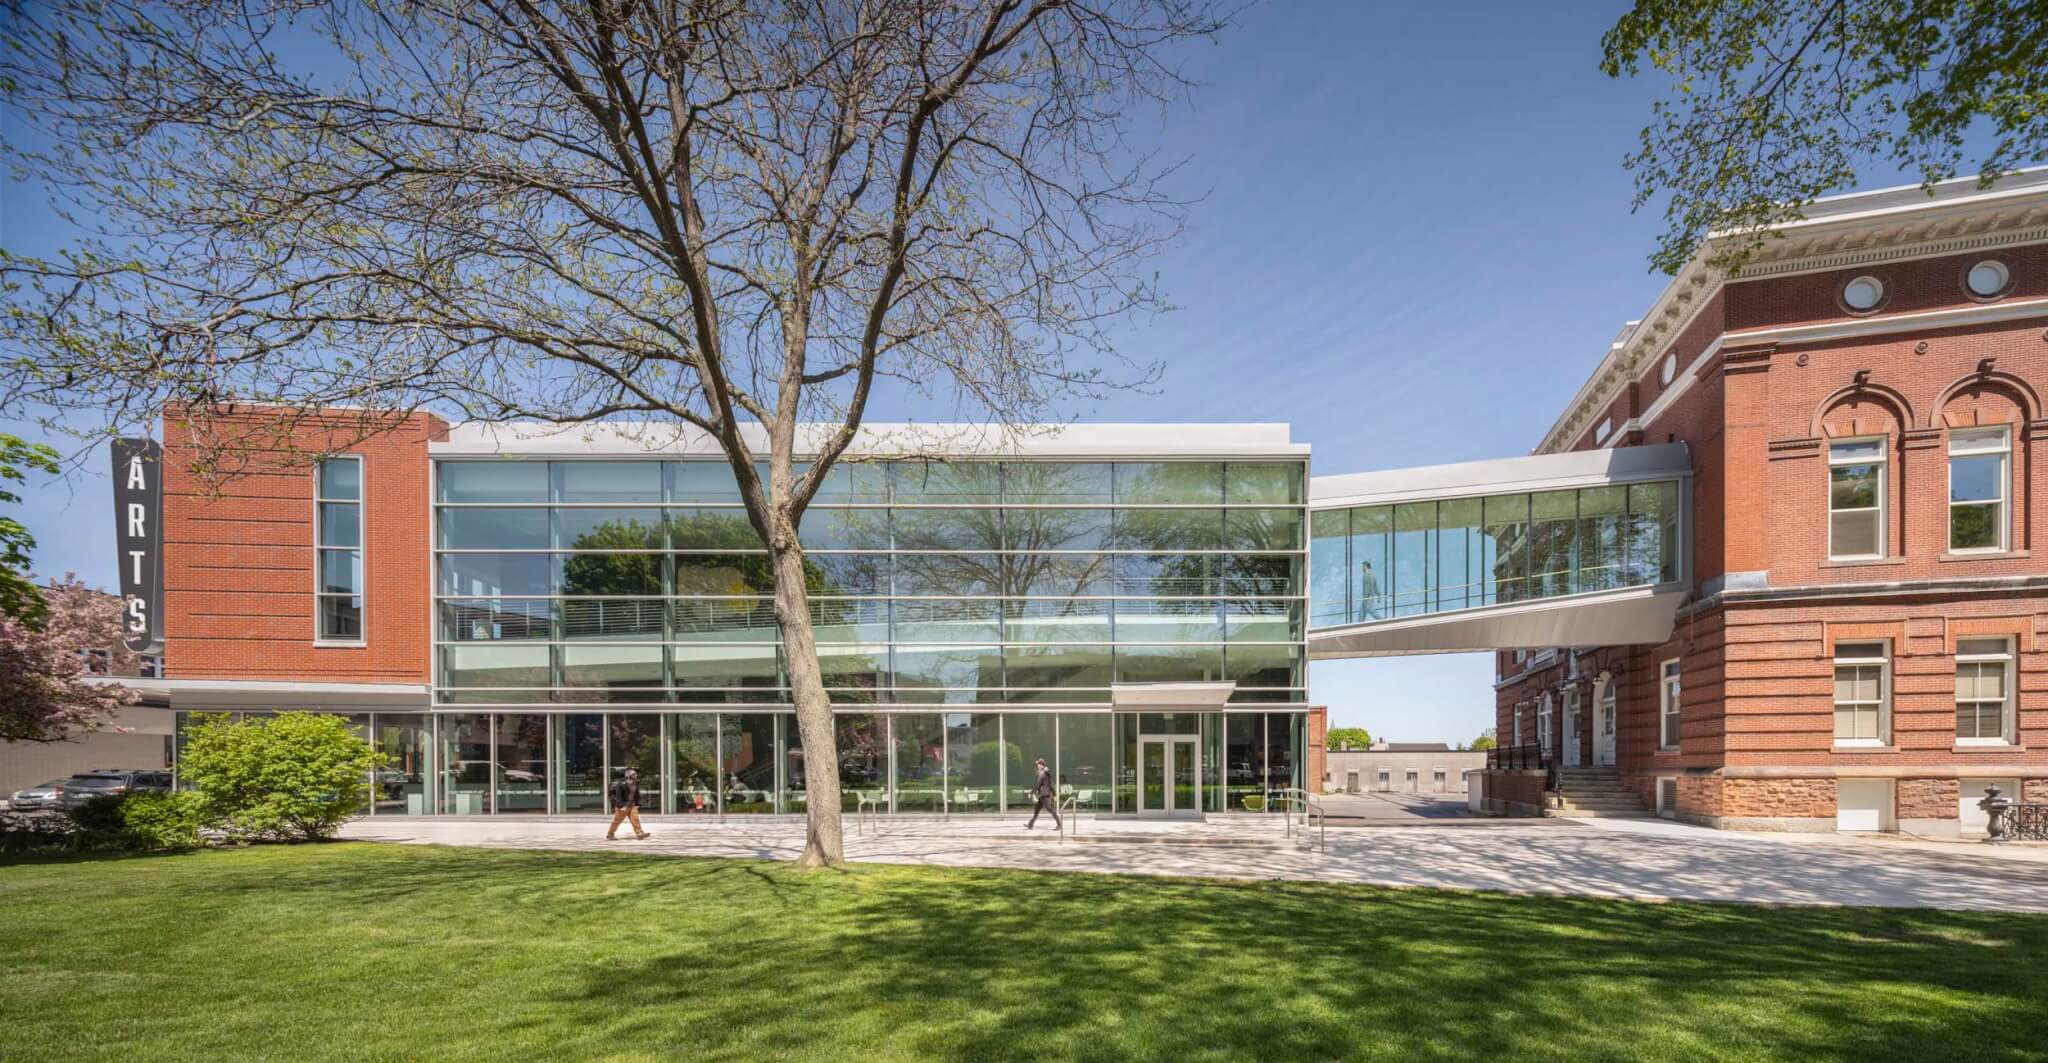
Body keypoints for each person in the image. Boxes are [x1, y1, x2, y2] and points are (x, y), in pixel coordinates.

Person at [607, 768, 650, 841]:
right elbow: (618, 796)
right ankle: (610, 834)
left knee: (635, 819)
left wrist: (637, 803)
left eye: (636, 774)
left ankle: (639, 833)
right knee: (617, 821)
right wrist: (621, 806)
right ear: (629, 775)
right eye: (634, 774)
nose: (636, 775)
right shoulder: (621, 784)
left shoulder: (635, 782)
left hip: (632, 805)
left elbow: (636, 794)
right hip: (623, 806)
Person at [1024, 757, 1061, 831]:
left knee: (1050, 809)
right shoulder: (1041, 772)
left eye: (1039, 764)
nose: (1037, 765)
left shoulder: (1043, 773)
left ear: (1042, 765)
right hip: (1042, 795)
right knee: (1037, 810)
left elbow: (1040, 784)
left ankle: (1059, 824)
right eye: (1037, 764)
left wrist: (1054, 794)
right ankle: (1030, 825)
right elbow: (1039, 784)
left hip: (1045, 795)